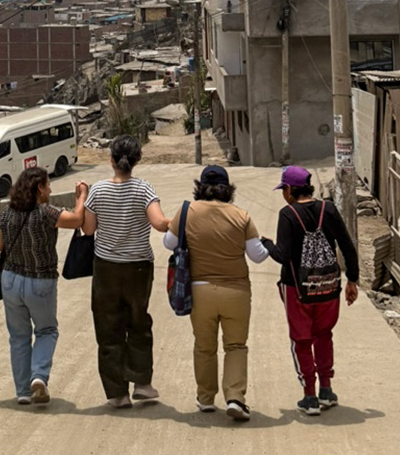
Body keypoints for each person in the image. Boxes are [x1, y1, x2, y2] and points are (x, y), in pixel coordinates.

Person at [163, 165, 269, 421]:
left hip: (200, 292)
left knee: (204, 346)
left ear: (200, 186)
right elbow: (257, 256)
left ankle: (206, 398)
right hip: (236, 292)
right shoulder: (241, 216)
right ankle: (235, 397)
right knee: (235, 345)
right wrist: (266, 244)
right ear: (227, 188)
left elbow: (169, 243)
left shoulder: (187, 211)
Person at [261, 166, 359, 416]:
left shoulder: (288, 214)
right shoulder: (329, 209)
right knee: (323, 334)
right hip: (328, 288)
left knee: (301, 340)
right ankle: (326, 389)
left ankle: (309, 395)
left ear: (291, 190)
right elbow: (348, 246)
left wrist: (267, 244)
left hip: (298, 289)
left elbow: (283, 256)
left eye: (284, 189)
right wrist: (352, 281)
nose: (284, 193)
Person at [81, 135, 169, 408]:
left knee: (108, 328)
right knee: (139, 322)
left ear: (111, 160)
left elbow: (88, 230)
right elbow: (160, 224)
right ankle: (142, 383)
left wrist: (82, 198)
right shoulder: (144, 189)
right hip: (139, 268)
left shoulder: (97, 191)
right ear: (137, 161)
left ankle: (117, 393)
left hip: (106, 268)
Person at [0, 167, 88, 406]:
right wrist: (81, 197)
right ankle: (39, 376)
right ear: (39, 189)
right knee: (46, 331)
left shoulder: (7, 213)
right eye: (47, 185)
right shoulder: (46, 212)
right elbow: (77, 220)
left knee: (18, 336)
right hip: (40, 280)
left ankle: (23, 391)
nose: (50, 189)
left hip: (11, 280)